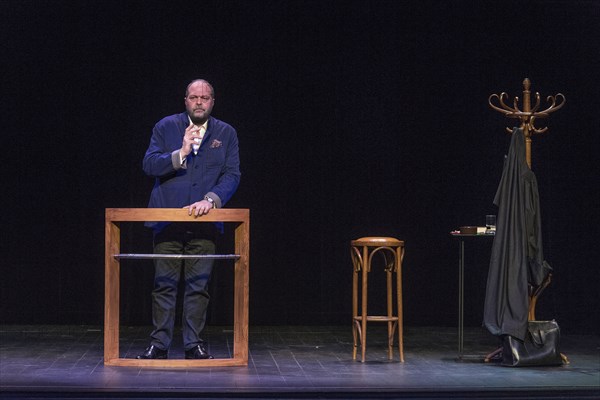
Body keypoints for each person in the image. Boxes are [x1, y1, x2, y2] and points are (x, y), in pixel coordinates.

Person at [137, 79, 241, 359]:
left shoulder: (226, 133)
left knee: (198, 286)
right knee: (164, 285)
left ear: (212, 102)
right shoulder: (166, 127)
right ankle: (159, 345)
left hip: (204, 225)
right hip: (167, 222)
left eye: (205, 98)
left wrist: (210, 200)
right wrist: (180, 152)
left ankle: (193, 344)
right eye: (194, 97)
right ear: (185, 100)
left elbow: (232, 175)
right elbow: (149, 164)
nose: (199, 102)